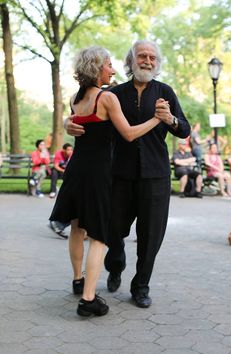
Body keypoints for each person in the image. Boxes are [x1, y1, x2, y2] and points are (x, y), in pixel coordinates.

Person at [64, 40, 191, 309]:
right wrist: (67, 122)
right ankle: (116, 265)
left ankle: (141, 286)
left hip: (155, 175)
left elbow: (184, 129)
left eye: (152, 57)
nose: (147, 61)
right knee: (111, 230)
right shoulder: (114, 92)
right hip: (118, 174)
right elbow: (86, 110)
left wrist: (170, 119)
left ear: (157, 64)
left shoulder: (165, 92)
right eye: (141, 56)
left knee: (150, 235)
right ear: (131, 61)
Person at [50, 45, 163, 317]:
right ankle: (89, 299)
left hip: (75, 170)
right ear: (98, 67)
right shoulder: (107, 99)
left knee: (77, 226)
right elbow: (129, 134)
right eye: (109, 65)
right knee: (99, 236)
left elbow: (77, 120)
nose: (113, 69)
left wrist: (67, 122)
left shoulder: (75, 99)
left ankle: (78, 280)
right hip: (98, 173)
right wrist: (156, 119)